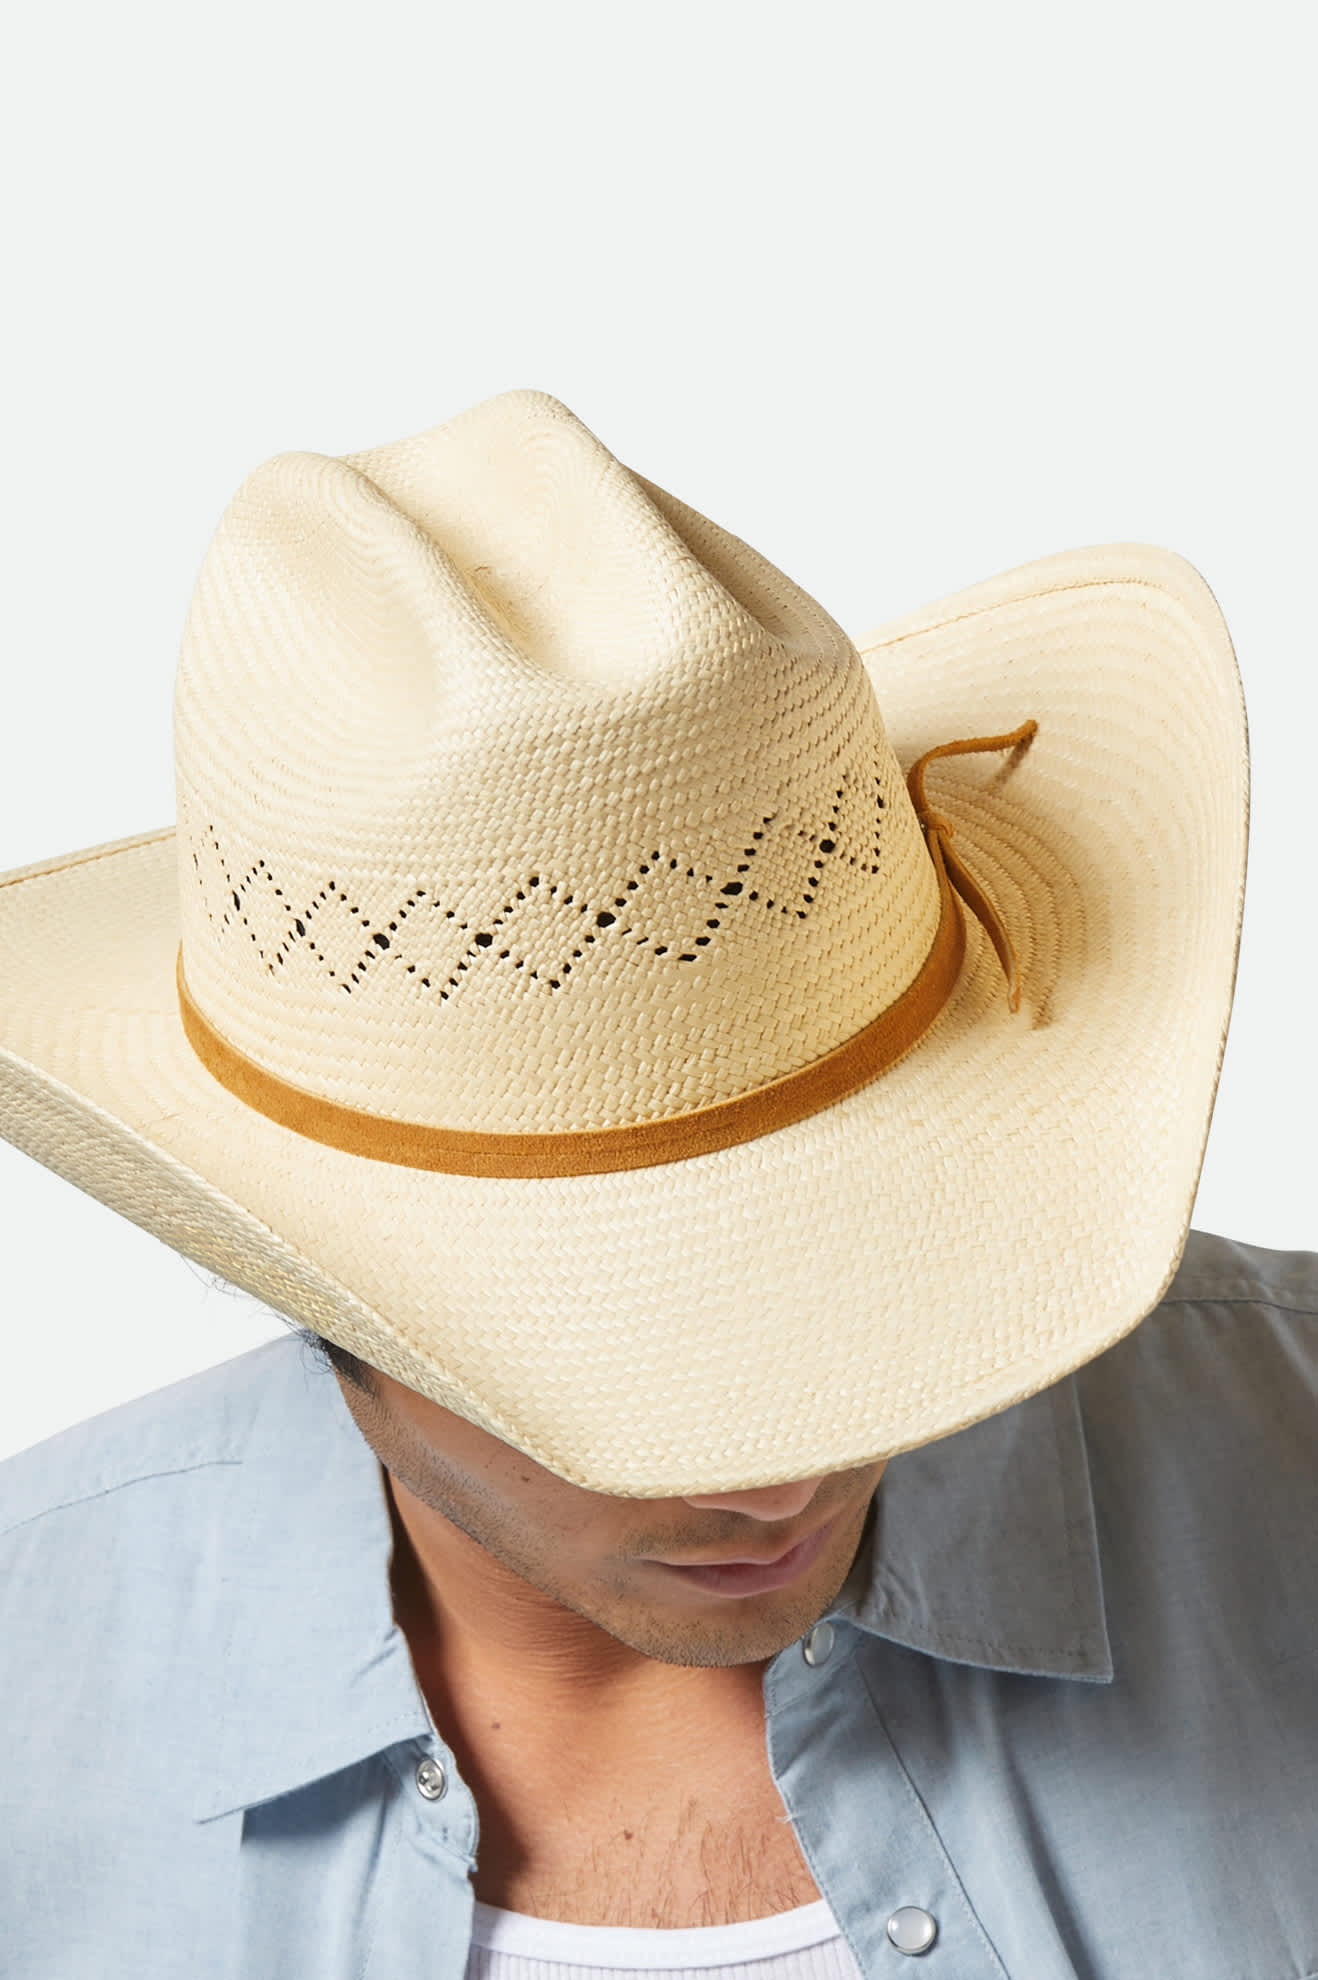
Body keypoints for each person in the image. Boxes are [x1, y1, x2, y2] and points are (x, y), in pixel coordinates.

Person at [0, 388, 1313, 1980]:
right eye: (630, 1368)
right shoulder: (39, 1681)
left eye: (862, 1275)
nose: (785, 1482)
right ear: (307, 1284)